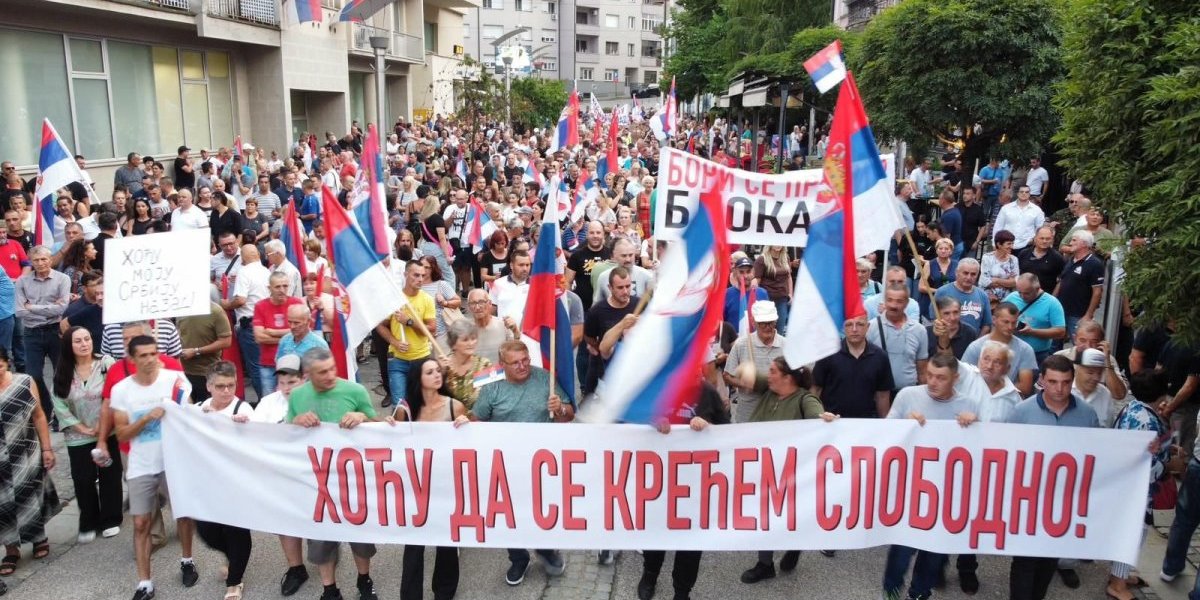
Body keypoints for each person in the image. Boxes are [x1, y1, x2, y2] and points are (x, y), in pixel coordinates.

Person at [455, 340, 570, 586]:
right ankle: (518, 558)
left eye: (526, 360)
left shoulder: (544, 379)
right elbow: (478, 419)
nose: (522, 366)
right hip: (505, 464)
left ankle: (547, 550)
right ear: (502, 364)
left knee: (541, 509)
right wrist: (466, 423)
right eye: (515, 362)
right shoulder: (491, 386)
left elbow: (569, 415)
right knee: (507, 513)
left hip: (541, 463)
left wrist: (560, 408)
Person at [288, 347, 392, 600]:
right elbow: (286, 433)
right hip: (317, 480)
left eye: (332, 368)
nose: (331, 375)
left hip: (353, 478)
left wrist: (361, 417)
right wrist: (297, 420)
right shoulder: (297, 396)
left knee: (360, 537)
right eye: (322, 372)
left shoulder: (354, 390)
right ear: (308, 374)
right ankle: (330, 589)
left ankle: (364, 580)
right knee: (322, 539)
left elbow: (378, 425)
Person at [879, 354, 978, 600]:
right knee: (901, 552)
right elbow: (884, 433)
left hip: (946, 492)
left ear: (955, 379)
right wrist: (904, 423)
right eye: (929, 375)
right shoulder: (907, 396)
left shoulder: (968, 405)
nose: (932, 382)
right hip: (910, 489)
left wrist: (975, 425)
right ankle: (891, 593)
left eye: (941, 378)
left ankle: (920, 593)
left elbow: (979, 449)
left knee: (933, 553)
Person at [110, 335, 199, 600]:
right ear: (132, 359)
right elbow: (123, 434)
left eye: (153, 353)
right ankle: (145, 582)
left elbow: (191, 415)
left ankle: (187, 560)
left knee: (182, 514)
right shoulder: (122, 389)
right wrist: (147, 418)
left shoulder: (174, 380)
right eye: (143, 355)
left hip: (174, 461)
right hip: (141, 464)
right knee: (140, 523)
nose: (150, 360)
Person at [1006, 356, 1101, 600]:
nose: (1059, 389)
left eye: (1066, 382)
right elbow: (1005, 450)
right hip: (1028, 501)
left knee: (1048, 561)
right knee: (1025, 562)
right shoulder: (1021, 412)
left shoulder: (1088, 415)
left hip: (1063, 503)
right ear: (1041, 381)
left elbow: (1101, 454)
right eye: (1053, 382)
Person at [637, 375, 728, 600]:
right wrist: (652, 420)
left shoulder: (708, 393)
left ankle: (682, 590)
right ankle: (650, 575)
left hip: (696, 482)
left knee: (691, 541)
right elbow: (632, 419)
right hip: (659, 478)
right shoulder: (659, 388)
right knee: (656, 531)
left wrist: (709, 427)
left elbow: (729, 433)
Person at [733, 356, 823, 584]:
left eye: (772, 371)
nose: (768, 374)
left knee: (790, 515)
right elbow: (746, 375)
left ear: (787, 378)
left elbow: (818, 418)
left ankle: (796, 544)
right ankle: (765, 564)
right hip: (764, 469)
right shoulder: (771, 389)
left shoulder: (805, 399)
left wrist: (826, 419)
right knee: (765, 515)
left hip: (791, 475)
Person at [245, 353, 312, 595]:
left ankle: (326, 563)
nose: (285, 388)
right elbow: (253, 433)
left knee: (318, 525)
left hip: (312, 473)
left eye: (291, 382)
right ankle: (296, 568)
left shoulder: (318, 399)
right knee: (285, 523)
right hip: (280, 475)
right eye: (282, 382)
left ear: (303, 379)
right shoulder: (267, 403)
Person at [398, 357, 463, 600]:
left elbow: (468, 443)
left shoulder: (454, 406)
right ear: (418, 379)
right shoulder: (405, 410)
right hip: (416, 488)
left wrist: (468, 425)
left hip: (447, 486)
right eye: (429, 372)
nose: (437, 375)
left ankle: (444, 593)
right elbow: (391, 439)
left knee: (446, 543)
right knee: (414, 546)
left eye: (438, 371)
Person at [50, 326, 121, 543]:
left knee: (110, 476)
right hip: (77, 435)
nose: (84, 344)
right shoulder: (63, 370)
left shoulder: (106, 364)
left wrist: (104, 424)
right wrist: (81, 427)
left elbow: (117, 392)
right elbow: (59, 403)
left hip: (108, 431)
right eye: (78, 341)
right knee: (83, 479)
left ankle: (111, 519)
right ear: (69, 345)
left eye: (87, 339)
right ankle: (88, 521)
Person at [193, 361, 255, 600]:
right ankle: (235, 559)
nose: (226, 391)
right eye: (220, 386)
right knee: (207, 531)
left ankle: (235, 580)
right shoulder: (198, 410)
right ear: (209, 386)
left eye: (231, 385)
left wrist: (245, 428)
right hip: (207, 481)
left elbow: (259, 443)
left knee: (236, 530)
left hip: (236, 481)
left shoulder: (244, 409)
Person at [0, 346, 56, 577]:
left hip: (26, 448)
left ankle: (38, 538)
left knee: (31, 492)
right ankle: (11, 549)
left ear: (7, 363)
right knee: (3, 502)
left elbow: (39, 415)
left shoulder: (24, 382)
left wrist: (47, 448)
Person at [15, 245, 71, 421]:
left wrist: (32, 307)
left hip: (55, 331)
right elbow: (19, 311)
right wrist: (50, 308)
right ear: (31, 262)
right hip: (31, 333)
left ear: (50, 260)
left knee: (59, 374)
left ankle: (62, 415)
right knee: (34, 375)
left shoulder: (62, 279)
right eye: (36, 260)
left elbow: (62, 308)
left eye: (44, 259)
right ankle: (47, 410)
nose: (40, 263)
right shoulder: (22, 281)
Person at [377, 260, 437, 409]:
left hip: (421, 359)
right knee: (400, 406)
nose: (420, 279)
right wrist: (394, 342)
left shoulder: (427, 299)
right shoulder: (394, 299)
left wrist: (409, 321)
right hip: (397, 360)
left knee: (422, 405)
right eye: (416, 275)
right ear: (405, 274)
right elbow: (380, 325)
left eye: (423, 275)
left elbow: (431, 330)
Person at [812, 316, 894, 418]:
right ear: (843, 327)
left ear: (868, 326)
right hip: (832, 421)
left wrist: (885, 424)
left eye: (860, 324)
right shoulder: (828, 353)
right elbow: (815, 389)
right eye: (849, 324)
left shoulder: (880, 357)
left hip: (867, 423)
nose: (854, 329)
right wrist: (816, 417)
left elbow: (882, 396)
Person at [723, 301, 787, 423]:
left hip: (777, 414)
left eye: (771, 322)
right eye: (763, 323)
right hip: (748, 414)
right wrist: (745, 383)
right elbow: (727, 376)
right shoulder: (741, 345)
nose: (767, 327)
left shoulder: (786, 346)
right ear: (753, 322)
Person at [962, 302, 1038, 396]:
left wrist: (996, 391)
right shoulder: (976, 347)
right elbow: (964, 379)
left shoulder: (1025, 349)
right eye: (1005, 322)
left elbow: (1025, 387)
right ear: (994, 320)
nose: (1010, 327)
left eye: (1014, 323)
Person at [868, 284, 929, 396]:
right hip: (877, 395)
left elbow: (922, 370)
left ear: (906, 303)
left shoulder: (919, 330)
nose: (893, 305)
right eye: (890, 300)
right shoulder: (871, 328)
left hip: (909, 395)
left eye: (899, 301)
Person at [253, 271, 304, 397]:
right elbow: (259, 337)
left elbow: (303, 332)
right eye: (277, 286)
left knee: (295, 399)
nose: (282, 290)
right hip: (268, 363)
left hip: (294, 365)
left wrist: (273, 332)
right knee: (269, 401)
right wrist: (290, 335)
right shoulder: (260, 306)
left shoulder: (297, 303)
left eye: (285, 286)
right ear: (269, 288)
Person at [1053, 229, 1105, 342]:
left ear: (1084, 244)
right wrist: (1052, 301)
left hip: (1078, 314)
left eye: (1074, 240)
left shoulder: (1095, 264)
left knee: (1079, 345)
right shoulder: (1070, 260)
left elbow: (1097, 292)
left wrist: (1088, 315)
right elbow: (1061, 281)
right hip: (1060, 312)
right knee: (1054, 345)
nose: (1070, 243)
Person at [1004, 273, 1066, 364]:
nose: (1022, 296)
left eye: (1026, 293)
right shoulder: (1012, 297)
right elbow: (998, 318)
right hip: (1011, 351)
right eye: (1019, 292)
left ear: (1037, 289)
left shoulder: (1052, 303)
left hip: (1037, 355)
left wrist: (1032, 331)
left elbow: (1060, 332)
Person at [440, 319, 492, 411]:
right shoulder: (442, 366)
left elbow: (492, 400)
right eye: (465, 340)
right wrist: (442, 373)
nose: (471, 343)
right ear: (453, 344)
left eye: (473, 338)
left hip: (478, 421)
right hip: (449, 422)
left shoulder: (485, 365)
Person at [932, 258, 992, 333]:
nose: (969, 277)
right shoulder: (942, 292)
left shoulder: (982, 295)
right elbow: (933, 318)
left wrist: (976, 343)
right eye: (965, 273)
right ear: (957, 272)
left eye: (973, 274)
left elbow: (986, 324)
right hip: (946, 340)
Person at [753, 245, 793, 334]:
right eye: (775, 242)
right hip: (766, 300)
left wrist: (790, 293)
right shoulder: (762, 259)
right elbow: (756, 280)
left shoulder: (786, 257)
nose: (778, 245)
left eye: (780, 242)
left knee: (780, 329)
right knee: (765, 330)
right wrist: (753, 297)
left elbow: (789, 277)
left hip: (782, 298)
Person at [466, 287, 512, 365]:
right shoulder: (465, 329)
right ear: (468, 307)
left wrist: (516, 331)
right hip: (476, 375)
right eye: (473, 303)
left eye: (481, 302)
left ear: (490, 303)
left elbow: (514, 351)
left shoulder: (503, 325)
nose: (477, 307)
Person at [993, 185, 1045, 252]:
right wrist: (994, 243)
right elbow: (998, 226)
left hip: (1027, 246)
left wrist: (1034, 240)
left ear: (1029, 194)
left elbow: (1040, 229)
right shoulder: (1006, 208)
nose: (1024, 193)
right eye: (1022, 192)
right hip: (1005, 245)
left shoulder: (1037, 210)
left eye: (1026, 192)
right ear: (1017, 193)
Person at [1018, 226, 1067, 294]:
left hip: (1044, 298)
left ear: (1052, 240)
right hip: (1023, 295)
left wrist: (1053, 297)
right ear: (1035, 238)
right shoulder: (1024, 253)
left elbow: (1062, 280)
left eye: (1048, 239)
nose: (1044, 241)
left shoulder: (1057, 258)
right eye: (1042, 238)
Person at [918, 238, 955, 319]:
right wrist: (939, 291)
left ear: (951, 251)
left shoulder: (957, 265)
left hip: (950, 303)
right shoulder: (929, 264)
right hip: (931, 301)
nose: (943, 251)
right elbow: (921, 287)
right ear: (936, 250)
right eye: (940, 248)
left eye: (946, 249)